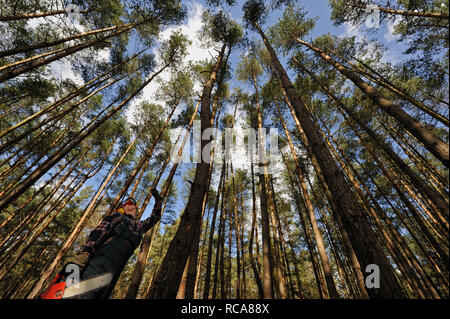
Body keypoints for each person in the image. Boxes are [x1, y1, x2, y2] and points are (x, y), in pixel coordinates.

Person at [69, 189, 163, 298]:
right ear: (123, 208)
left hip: (114, 272)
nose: (134, 206)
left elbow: (155, 218)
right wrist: (85, 253)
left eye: (133, 204)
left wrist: (158, 201)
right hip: (97, 265)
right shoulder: (117, 217)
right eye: (129, 203)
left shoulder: (138, 226)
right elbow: (99, 232)